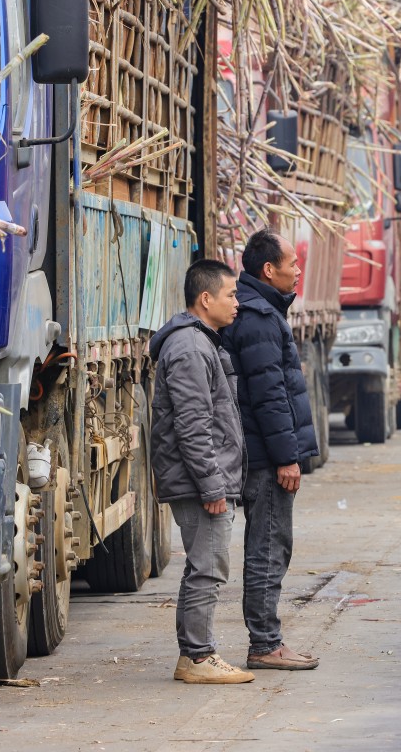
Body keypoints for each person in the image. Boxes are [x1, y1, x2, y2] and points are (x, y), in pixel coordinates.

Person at [221, 230, 320, 671]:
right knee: (268, 546)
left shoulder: (257, 308)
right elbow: (269, 395)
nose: (298, 270)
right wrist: (287, 457)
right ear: (269, 270)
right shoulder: (260, 317)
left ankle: (268, 639)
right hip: (265, 457)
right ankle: (265, 643)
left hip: (260, 451)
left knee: (270, 543)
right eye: (292, 263)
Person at [150, 260, 253, 684]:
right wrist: (213, 486)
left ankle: (195, 655)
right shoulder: (191, 348)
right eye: (231, 295)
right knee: (208, 566)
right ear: (206, 299)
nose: (237, 303)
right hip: (199, 483)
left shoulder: (200, 342)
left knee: (203, 564)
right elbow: (192, 425)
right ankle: (197, 657)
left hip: (201, 479)